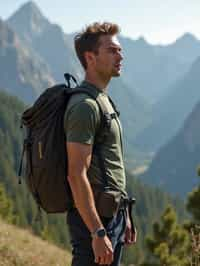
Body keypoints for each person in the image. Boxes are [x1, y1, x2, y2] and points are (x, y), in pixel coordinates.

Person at [64, 22, 137, 266]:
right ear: (90, 57)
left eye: (120, 50)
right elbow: (76, 174)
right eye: (112, 50)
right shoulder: (85, 107)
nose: (121, 55)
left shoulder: (102, 100)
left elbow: (110, 164)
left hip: (111, 216)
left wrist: (123, 213)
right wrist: (97, 232)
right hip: (94, 220)